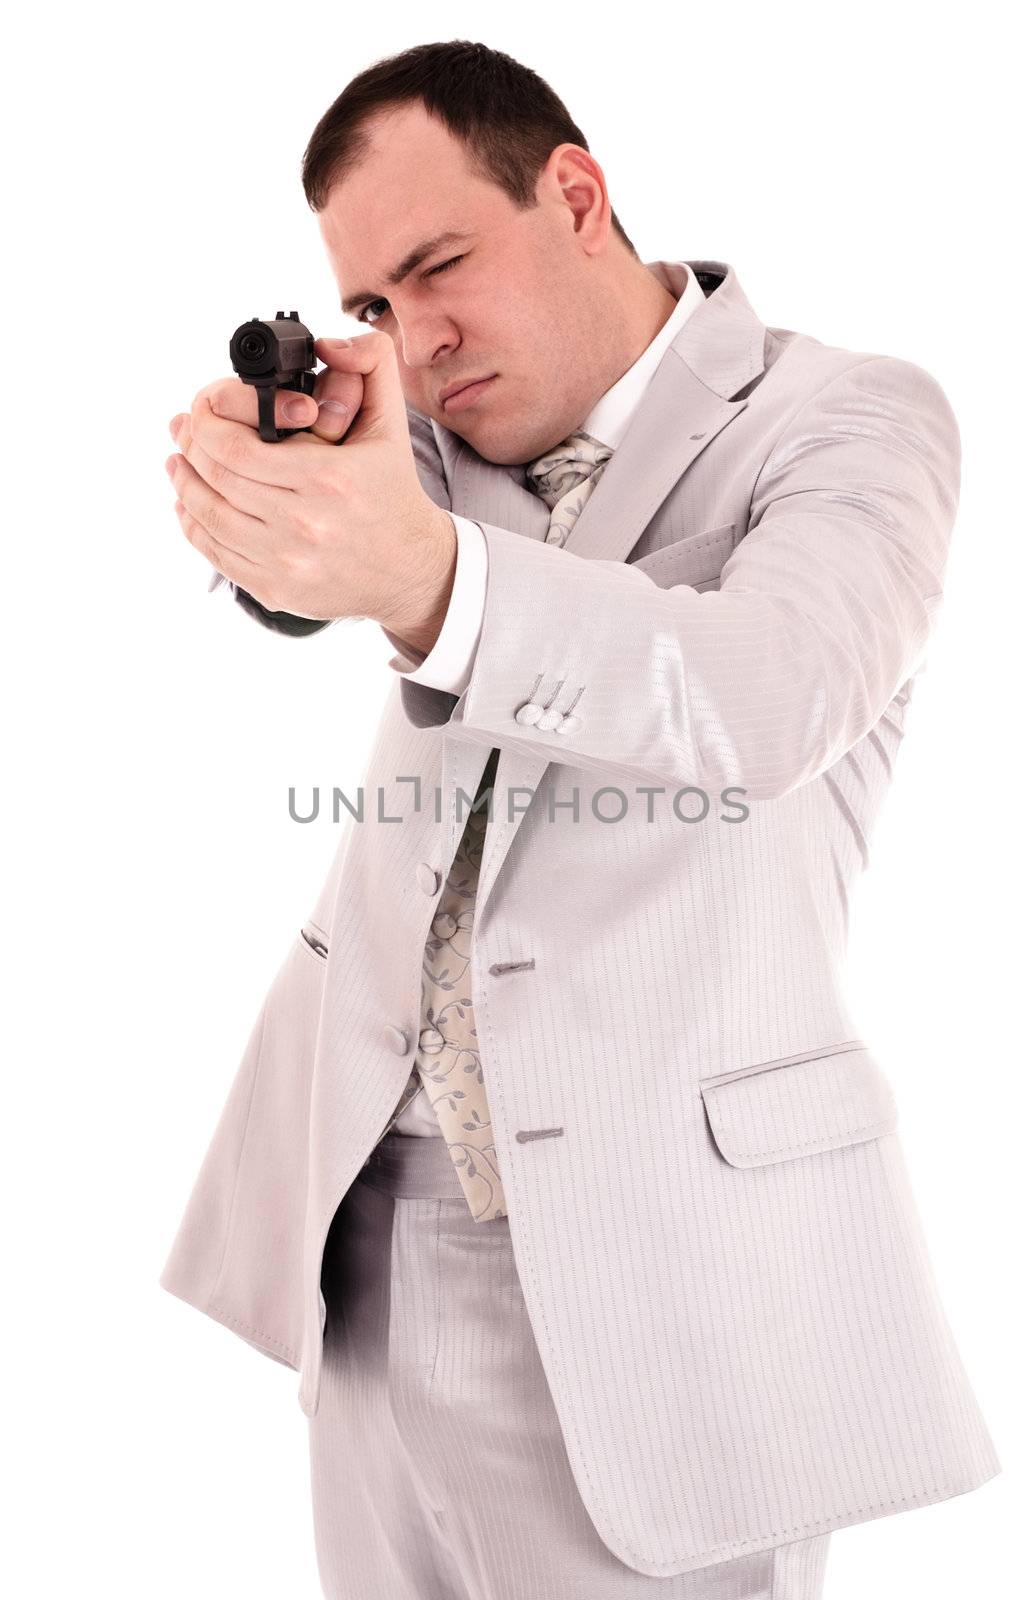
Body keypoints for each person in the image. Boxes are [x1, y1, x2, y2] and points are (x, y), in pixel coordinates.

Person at [159, 38, 1001, 1600]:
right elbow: (298, 583)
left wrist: (414, 573)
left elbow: (766, 703)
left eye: (438, 265)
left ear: (576, 194)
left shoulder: (851, 421)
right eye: (369, 308)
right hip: (359, 1234)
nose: (416, 336)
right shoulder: (430, 427)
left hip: (661, 1270)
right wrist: (261, 493)